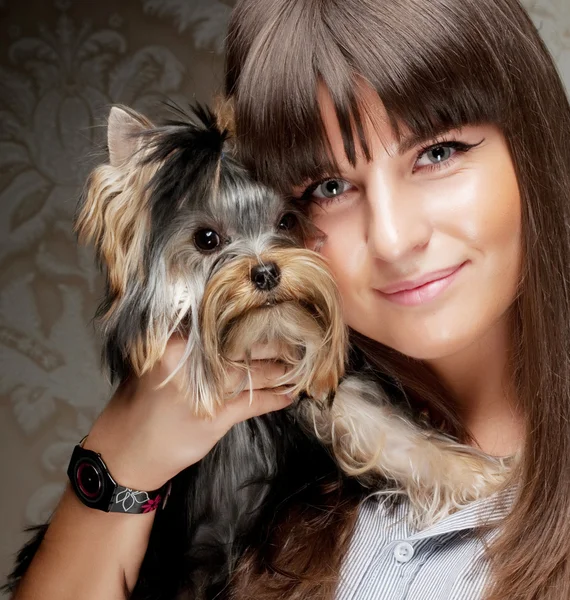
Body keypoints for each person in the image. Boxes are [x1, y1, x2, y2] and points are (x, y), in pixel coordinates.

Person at [9, 0, 570, 599]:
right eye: (330, 187)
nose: (394, 238)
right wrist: (123, 461)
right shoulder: (279, 481)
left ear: (531, 144)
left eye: (438, 152)